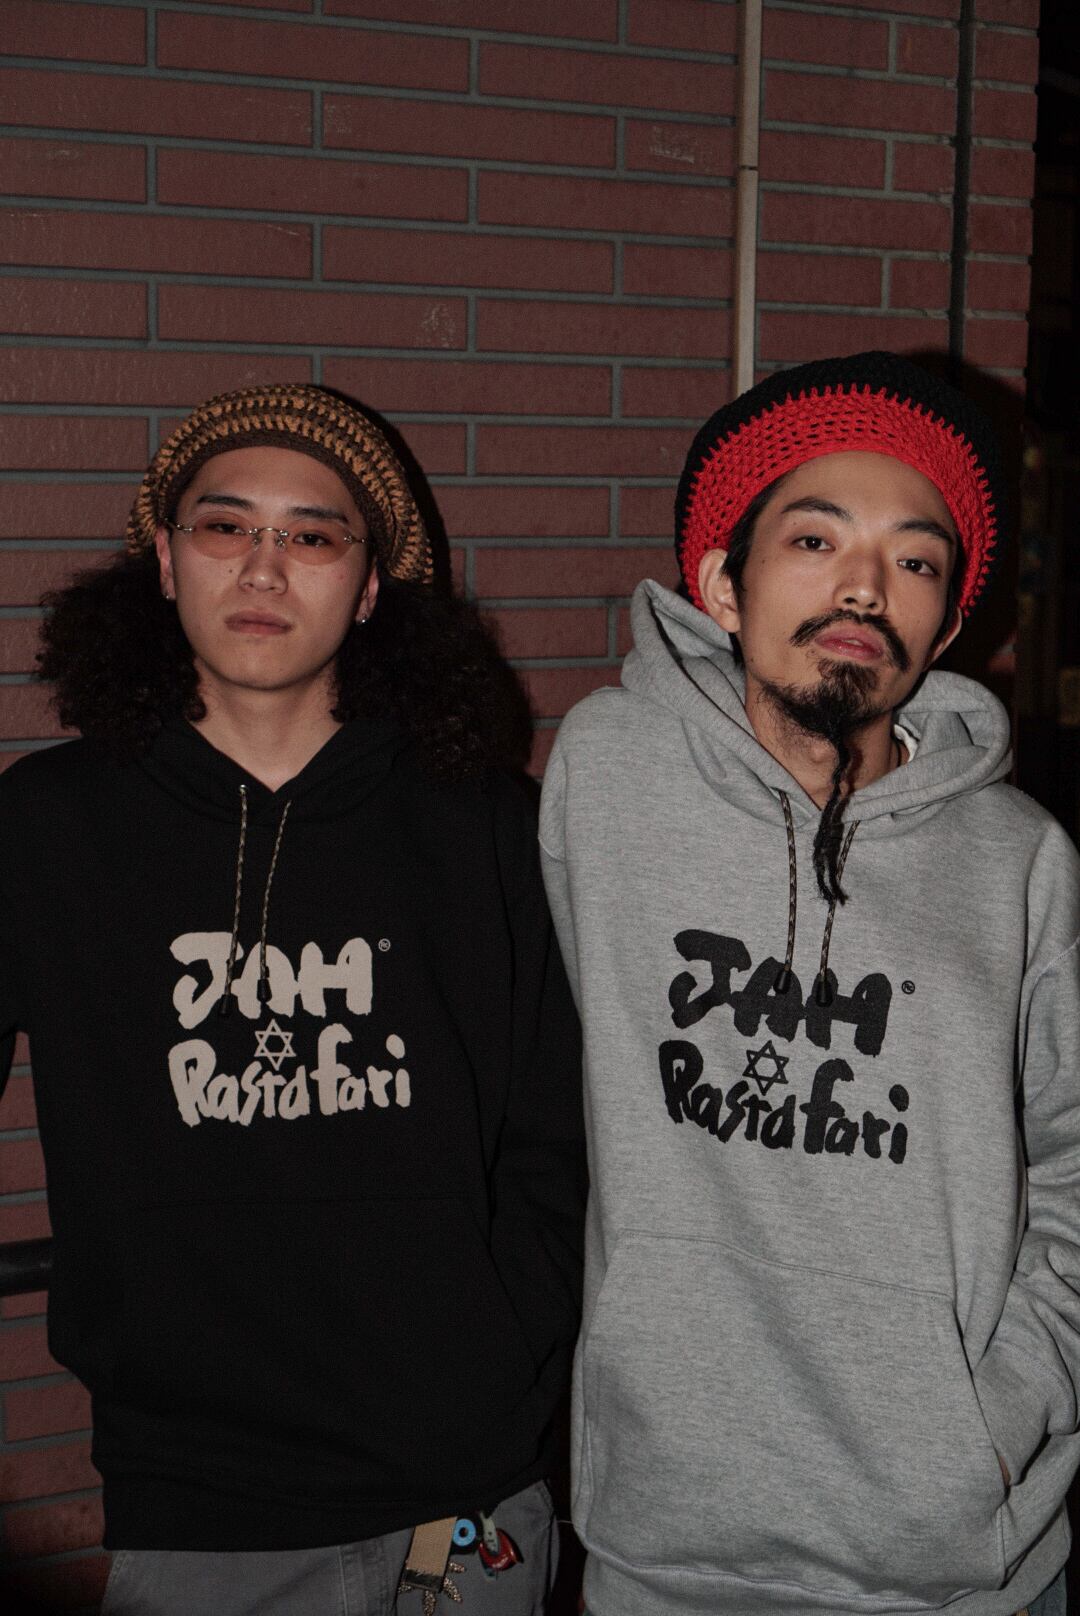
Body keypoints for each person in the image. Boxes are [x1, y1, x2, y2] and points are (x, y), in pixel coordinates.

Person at [0, 384, 585, 1616]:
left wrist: (502, 1347)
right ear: (166, 561)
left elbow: (566, 1136)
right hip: (200, 1512)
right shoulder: (45, 828)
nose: (264, 566)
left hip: (464, 1500)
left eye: (313, 535)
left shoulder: (488, 825)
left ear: (369, 588)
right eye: (226, 526)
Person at [539, 352, 1080, 1616]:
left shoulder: (1020, 860)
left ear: (948, 626)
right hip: (666, 1541)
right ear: (722, 582)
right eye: (817, 537)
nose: (864, 586)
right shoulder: (608, 775)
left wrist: (1000, 1415)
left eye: (915, 560)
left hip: (956, 1561)